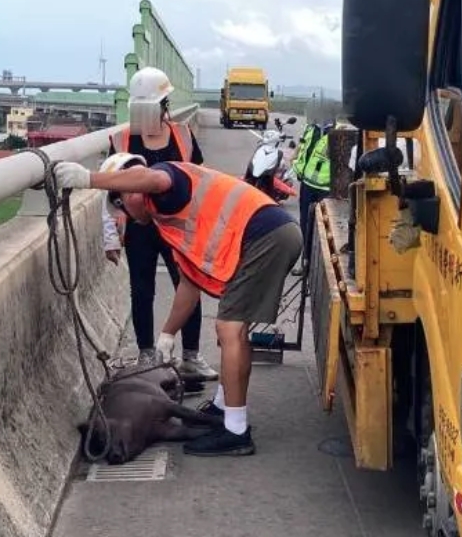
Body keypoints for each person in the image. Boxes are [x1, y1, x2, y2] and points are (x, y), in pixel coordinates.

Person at [53, 154, 303, 457]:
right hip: (268, 235)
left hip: (265, 237)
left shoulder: (167, 183)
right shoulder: (167, 219)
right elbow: (189, 283)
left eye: (120, 204)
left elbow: (152, 179)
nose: (128, 217)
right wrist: (167, 335)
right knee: (230, 329)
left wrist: (87, 179)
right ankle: (224, 409)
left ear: (131, 193)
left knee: (230, 329)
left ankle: (236, 431)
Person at [102, 66, 217, 385]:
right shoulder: (122, 139)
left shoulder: (181, 134)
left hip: (178, 227)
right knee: (141, 290)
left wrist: (203, 224)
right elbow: (110, 190)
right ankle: (147, 355)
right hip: (140, 228)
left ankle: (191, 356)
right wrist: (110, 235)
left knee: (189, 285)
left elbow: (200, 178)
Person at [287, 117, 333, 276]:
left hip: (326, 189)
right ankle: (306, 264)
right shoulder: (310, 129)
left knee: (326, 231)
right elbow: (302, 150)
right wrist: (294, 160)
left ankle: (325, 269)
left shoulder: (337, 133)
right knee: (306, 225)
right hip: (307, 185)